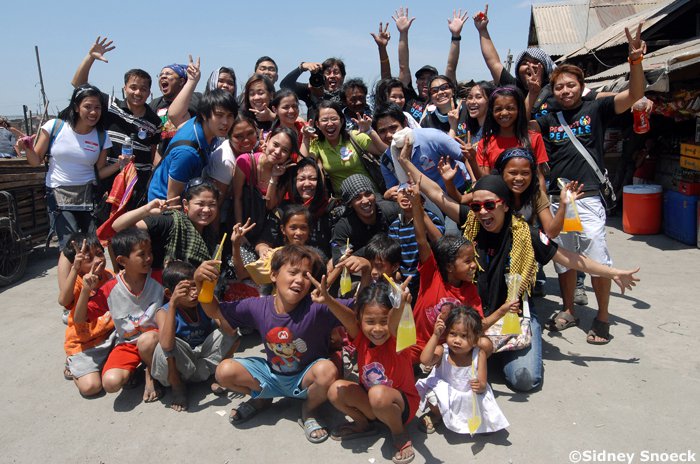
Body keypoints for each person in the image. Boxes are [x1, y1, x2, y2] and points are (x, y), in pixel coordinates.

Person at [398, 143, 640, 390]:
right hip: (474, 315)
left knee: (524, 379)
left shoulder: (526, 234)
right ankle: (482, 350)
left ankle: (488, 351)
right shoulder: (471, 221)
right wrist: (405, 161)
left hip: (512, 315)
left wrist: (613, 272)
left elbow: (569, 258)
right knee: (442, 356)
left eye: (490, 205)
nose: (482, 212)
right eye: (477, 206)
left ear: (504, 204)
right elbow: (436, 193)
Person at [536, 24, 647, 344]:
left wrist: (635, 60)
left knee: (596, 259)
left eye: (571, 85)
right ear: (553, 91)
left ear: (581, 87)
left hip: (587, 197)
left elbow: (634, 95)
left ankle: (602, 317)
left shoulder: (596, 107)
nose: (565, 91)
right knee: (565, 260)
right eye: (559, 87)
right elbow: (521, 123)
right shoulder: (548, 116)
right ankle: (569, 310)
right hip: (558, 199)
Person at [194, 245, 345, 444]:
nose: (299, 280)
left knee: (327, 370)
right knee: (224, 371)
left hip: (306, 380)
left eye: (306, 275)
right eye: (293, 272)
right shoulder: (257, 306)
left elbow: (359, 313)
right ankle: (262, 398)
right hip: (272, 376)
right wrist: (200, 283)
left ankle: (309, 411)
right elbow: (214, 311)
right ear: (273, 275)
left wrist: (365, 274)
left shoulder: (317, 306)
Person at [315, 277, 418, 464]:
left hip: (400, 407)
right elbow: (349, 320)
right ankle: (364, 424)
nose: (377, 329)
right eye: (370, 321)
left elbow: (393, 322)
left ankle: (399, 433)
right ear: (360, 320)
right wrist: (328, 300)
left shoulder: (398, 340)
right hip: (372, 403)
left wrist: (400, 305)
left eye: (383, 321)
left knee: (378, 394)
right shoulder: (361, 338)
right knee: (335, 390)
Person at [18, 84, 117, 250]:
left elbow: (99, 172)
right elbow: (35, 161)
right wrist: (28, 147)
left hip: (88, 197)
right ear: (76, 107)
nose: (93, 112)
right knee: (71, 246)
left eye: (97, 107)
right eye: (88, 106)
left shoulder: (102, 136)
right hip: (58, 194)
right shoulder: (55, 127)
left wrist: (120, 165)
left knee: (93, 246)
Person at [70, 36, 162, 211]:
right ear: (124, 88)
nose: (138, 92)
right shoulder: (110, 106)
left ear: (149, 92)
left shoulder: (154, 121)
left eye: (143, 89)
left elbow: (151, 154)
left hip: (138, 186)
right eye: (133, 87)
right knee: (105, 224)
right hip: (109, 183)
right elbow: (78, 84)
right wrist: (90, 58)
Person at [400, 178, 482, 365]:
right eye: (468, 261)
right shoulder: (432, 275)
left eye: (473, 260)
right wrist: (416, 205)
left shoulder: (470, 290)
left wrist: (502, 312)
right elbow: (422, 240)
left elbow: (478, 324)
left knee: (484, 344)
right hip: (417, 344)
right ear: (450, 266)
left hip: (447, 350)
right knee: (399, 358)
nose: (474, 266)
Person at [152, 261, 239, 411]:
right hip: (182, 366)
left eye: (195, 286)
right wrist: (172, 304)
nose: (194, 293)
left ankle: (216, 374)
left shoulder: (203, 302)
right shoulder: (164, 311)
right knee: (164, 346)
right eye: (186, 290)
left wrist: (208, 292)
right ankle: (177, 386)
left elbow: (230, 331)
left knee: (235, 332)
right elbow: (166, 345)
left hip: (204, 359)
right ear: (169, 294)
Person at [416, 305, 508, 435]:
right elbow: (425, 360)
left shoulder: (479, 354)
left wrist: (480, 386)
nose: (457, 340)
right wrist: (436, 335)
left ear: (475, 339)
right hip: (446, 394)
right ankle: (437, 414)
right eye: (452, 334)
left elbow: (482, 382)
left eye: (464, 336)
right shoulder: (443, 351)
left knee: (481, 405)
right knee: (433, 398)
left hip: (468, 395)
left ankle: (474, 419)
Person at [98, 228, 164, 402]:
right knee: (110, 383)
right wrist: (85, 291)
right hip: (127, 343)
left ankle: (151, 374)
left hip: (155, 341)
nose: (149, 258)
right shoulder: (110, 288)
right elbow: (81, 317)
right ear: (122, 260)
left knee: (146, 340)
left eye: (150, 253)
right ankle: (135, 368)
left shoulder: (159, 277)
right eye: (142, 254)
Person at [147, 89, 238, 202]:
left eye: (230, 116)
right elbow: (173, 199)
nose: (225, 122)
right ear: (204, 115)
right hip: (163, 205)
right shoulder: (187, 152)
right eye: (219, 115)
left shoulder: (200, 125)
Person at [114, 178, 219, 270]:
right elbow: (118, 226)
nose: (206, 209)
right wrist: (146, 210)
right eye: (200, 204)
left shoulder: (210, 234)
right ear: (186, 204)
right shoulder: (170, 222)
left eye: (212, 204)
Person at [62, 233, 116, 396]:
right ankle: (72, 365)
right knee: (91, 387)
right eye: (89, 258)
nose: (98, 260)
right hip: (84, 343)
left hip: (110, 335)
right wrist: (75, 270)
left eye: (99, 254)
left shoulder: (109, 275)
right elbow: (63, 300)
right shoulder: (78, 281)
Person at [232, 126, 298, 246]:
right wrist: (239, 230)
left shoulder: (284, 173)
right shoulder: (245, 161)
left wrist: (274, 177)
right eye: (275, 145)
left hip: (264, 232)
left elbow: (270, 205)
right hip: (240, 226)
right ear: (267, 140)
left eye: (285, 150)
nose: (277, 152)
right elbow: (237, 198)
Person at [301, 100, 387, 194]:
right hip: (342, 199)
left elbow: (383, 151)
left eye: (334, 119)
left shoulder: (355, 136)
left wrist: (369, 131)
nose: (330, 123)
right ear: (317, 124)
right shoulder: (317, 144)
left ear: (341, 121)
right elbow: (302, 165)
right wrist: (305, 138)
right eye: (325, 120)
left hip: (369, 195)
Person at [474, 86, 548, 189]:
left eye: (510, 108)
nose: (504, 113)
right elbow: (485, 180)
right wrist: (471, 159)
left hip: (527, 197)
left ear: (519, 110)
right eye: (498, 109)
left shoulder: (534, 138)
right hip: (498, 197)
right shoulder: (485, 143)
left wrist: (543, 199)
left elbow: (539, 176)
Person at [258, 156, 332, 257]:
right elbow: (263, 242)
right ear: (294, 182)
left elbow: (338, 245)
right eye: (301, 179)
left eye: (313, 179)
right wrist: (263, 249)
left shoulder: (329, 210)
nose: (307, 183)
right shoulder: (282, 211)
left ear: (319, 182)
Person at [388, 183, 445, 299]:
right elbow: (393, 254)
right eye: (402, 192)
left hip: (430, 278)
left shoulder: (430, 218)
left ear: (422, 200)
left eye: (410, 193)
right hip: (407, 282)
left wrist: (419, 210)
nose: (406, 195)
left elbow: (439, 241)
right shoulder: (394, 226)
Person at [330, 174, 398, 265]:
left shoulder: (391, 210)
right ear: (350, 204)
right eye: (357, 197)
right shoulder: (344, 228)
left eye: (368, 194)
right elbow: (338, 261)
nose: (365, 201)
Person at [392, 7, 438, 122]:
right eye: (422, 78)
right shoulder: (409, 99)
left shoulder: (441, 104)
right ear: (416, 82)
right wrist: (403, 33)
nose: (426, 82)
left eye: (430, 79)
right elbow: (403, 67)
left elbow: (451, 69)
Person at [150, 62, 201, 154]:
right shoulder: (154, 104)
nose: (163, 76)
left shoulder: (196, 99)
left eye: (168, 74)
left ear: (181, 81)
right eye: (161, 74)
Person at [280, 58, 346, 118]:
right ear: (322, 76)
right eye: (328, 73)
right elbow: (285, 85)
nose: (332, 76)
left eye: (336, 72)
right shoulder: (312, 90)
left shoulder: (347, 93)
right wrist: (301, 68)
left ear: (343, 77)